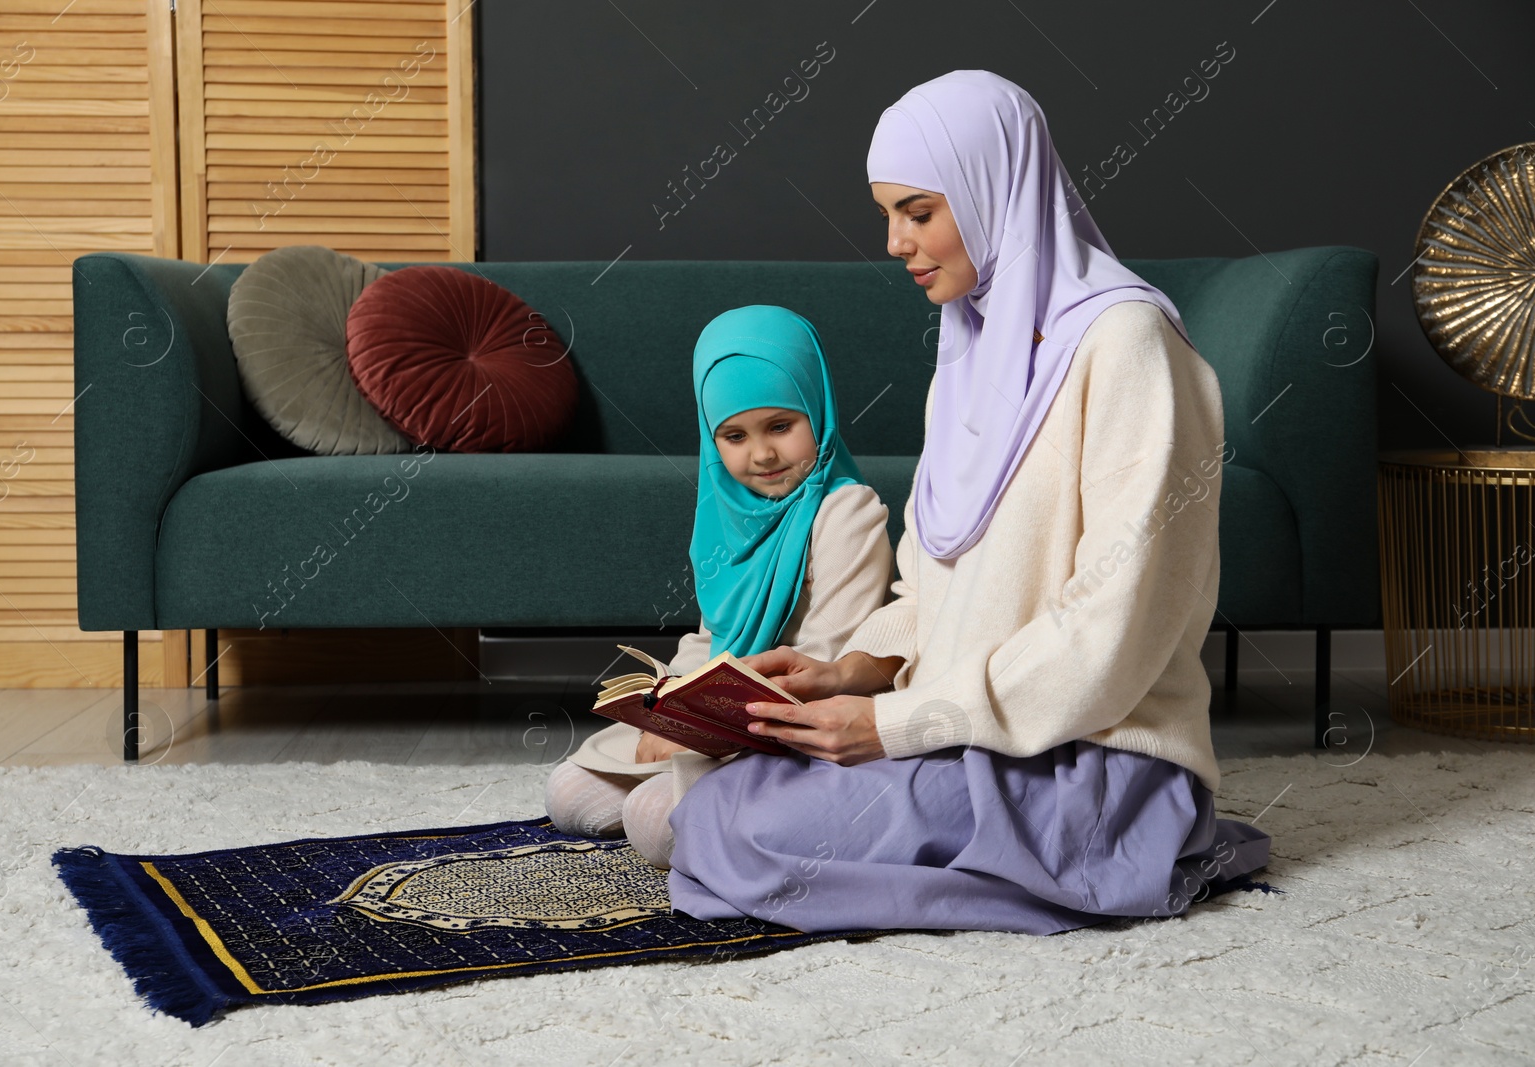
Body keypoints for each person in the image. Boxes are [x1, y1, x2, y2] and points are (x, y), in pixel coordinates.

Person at [666, 71, 1272, 933]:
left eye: (918, 211)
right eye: (888, 216)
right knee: (726, 795)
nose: (895, 243)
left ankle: (1126, 858)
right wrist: (853, 671)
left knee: (735, 828)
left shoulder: (1127, 345)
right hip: (972, 735)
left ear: (998, 189)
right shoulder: (971, 346)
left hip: (1089, 760)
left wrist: (893, 724)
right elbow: (934, 583)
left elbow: (1112, 630)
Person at [544, 304, 894, 868]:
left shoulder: (847, 511)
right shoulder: (726, 514)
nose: (761, 454)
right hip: (720, 715)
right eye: (734, 435)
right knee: (566, 795)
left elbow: (828, 656)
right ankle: (704, 795)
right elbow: (711, 638)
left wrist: (704, 724)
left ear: (818, 410)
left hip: (799, 719)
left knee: (654, 822)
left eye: (781, 426)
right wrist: (668, 706)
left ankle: (757, 814)